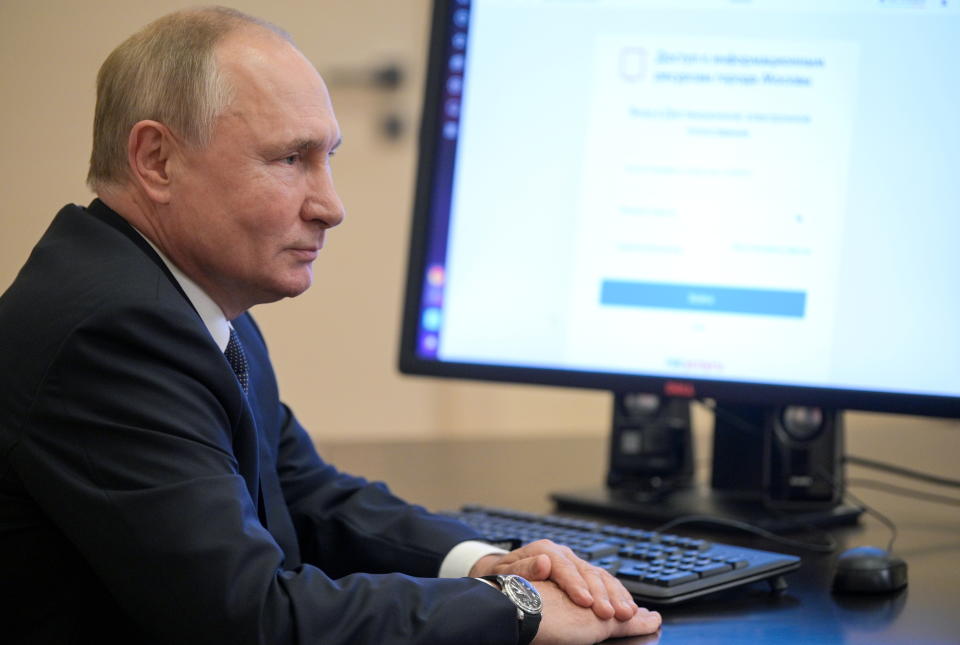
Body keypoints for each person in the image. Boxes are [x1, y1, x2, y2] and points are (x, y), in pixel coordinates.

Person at [0, 7, 661, 644]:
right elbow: (254, 617)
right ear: (156, 160)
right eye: (291, 159)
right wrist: (512, 607)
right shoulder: (114, 332)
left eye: (329, 157)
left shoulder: (182, 297)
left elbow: (302, 492)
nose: (331, 205)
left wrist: (486, 564)